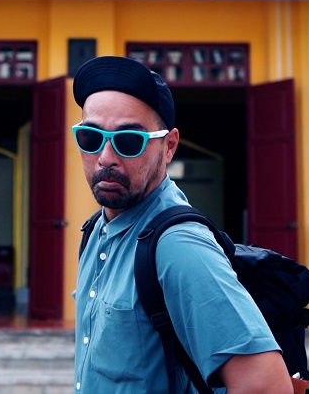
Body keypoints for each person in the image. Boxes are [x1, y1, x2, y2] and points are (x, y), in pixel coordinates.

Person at [71, 55, 292, 394]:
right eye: (91, 137)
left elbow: (266, 387)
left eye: (129, 140)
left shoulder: (178, 245)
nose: (105, 157)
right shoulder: (95, 232)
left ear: (169, 146)